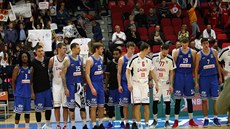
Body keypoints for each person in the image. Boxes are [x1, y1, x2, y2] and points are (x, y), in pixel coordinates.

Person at [126, 42, 159, 129]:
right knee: (137, 105)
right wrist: (129, 83)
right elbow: (128, 71)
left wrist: (156, 84)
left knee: (146, 105)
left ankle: (147, 124)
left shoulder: (149, 60)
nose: (149, 51)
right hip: (135, 85)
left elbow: (153, 72)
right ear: (145, 49)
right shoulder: (134, 58)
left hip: (145, 86)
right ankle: (139, 124)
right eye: (148, 49)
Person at [194, 38, 222, 127]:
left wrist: (220, 77)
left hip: (213, 78)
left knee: (215, 100)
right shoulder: (199, 54)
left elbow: (218, 65)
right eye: (204, 43)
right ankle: (206, 119)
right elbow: (196, 69)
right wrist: (196, 82)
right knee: (204, 100)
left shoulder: (214, 52)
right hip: (203, 79)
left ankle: (215, 118)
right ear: (201, 45)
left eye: (207, 43)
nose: (206, 45)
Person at [171, 38, 198, 128]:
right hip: (179, 76)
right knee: (178, 100)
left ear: (188, 43)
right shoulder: (176, 52)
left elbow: (194, 66)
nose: (185, 44)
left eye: (186, 43)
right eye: (183, 43)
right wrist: (172, 81)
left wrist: (195, 78)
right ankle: (176, 120)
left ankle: (191, 120)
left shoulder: (193, 52)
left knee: (189, 99)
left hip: (189, 76)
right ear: (181, 43)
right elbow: (173, 67)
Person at [61, 42, 88, 129]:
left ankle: (84, 125)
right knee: (71, 107)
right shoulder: (67, 59)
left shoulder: (80, 58)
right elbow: (63, 75)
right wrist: (65, 88)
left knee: (82, 106)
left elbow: (82, 72)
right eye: (78, 48)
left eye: (79, 48)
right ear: (72, 49)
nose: (79, 50)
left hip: (79, 85)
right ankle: (73, 126)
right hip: (71, 85)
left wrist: (84, 83)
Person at [150, 44, 176, 129]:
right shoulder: (153, 57)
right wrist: (150, 80)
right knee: (155, 102)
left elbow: (172, 72)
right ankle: (155, 120)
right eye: (164, 50)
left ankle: (167, 122)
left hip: (166, 84)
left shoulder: (170, 59)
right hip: (156, 83)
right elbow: (150, 69)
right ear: (161, 49)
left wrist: (171, 85)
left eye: (167, 50)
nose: (165, 52)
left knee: (167, 102)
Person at [30, 45, 52, 129]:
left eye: (42, 50)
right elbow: (31, 79)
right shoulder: (33, 63)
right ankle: (39, 126)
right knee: (38, 110)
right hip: (38, 90)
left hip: (47, 88)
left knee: (48, 108)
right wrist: (32, 92)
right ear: (35, 52)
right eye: (39, 51)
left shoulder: (47, 60)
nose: (41, 52)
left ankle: (47, 125)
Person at [48, 43, 68, 129]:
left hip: (65, 85)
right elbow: (48, 72)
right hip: (56, 85)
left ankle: (65, 125)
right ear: (59, 49)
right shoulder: (52, 59)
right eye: (63, 48)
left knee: (65, 106)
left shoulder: (67, 59)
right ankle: (58, 124)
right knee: (57, 106)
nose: (65, 50)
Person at [85, 43, 105, 129]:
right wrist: (92, 87)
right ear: (97, 49)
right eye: (101, 49)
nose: (102, 50)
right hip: (93, 84)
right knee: (93, 107)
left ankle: (100, 124)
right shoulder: (90, 60)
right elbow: (87, 75)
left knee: (101, 106)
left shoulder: (101, 58)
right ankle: (94, 125)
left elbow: (101, 72)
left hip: (100, 84)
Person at [117, 42, 136, 128]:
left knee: (134, 104)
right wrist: (119, 85)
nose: (132, 50)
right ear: (127, 48)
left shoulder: (136, 58)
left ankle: (134, 122)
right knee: (125, 105)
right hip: (124, 83)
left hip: (134, 83)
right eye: (131, 48)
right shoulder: (122, 59)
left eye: (133, 49)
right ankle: (126, 122)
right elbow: (119, 73)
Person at [12, 52, 31, 129]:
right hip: (19, 94)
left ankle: (27, 127)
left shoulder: (31, 68)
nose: (24, 58)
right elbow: (13, 81)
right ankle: (16, 127)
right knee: (18, 113)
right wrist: (14, 92)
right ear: (20, 58)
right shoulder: (17, 68)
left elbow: (32, 81)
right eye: (23, 57)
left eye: (26, 57)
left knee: (27, 113)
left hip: (28, 94)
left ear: (28, 58)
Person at [105, 48, 123, 128]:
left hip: (121, 87)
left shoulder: (123, 63)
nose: (115, 56)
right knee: (110, 106)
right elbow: (107, 76)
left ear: (120, 54)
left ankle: (122, 122)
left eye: (117, 54)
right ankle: (110, 122)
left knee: (122, 105)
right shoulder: (110, 64)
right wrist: (106, 86)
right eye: (114, 54)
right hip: (112, 87)